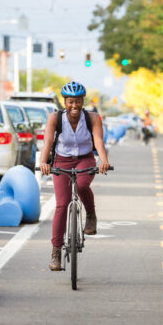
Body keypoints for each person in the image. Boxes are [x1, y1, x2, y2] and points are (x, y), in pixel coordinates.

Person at [39, 81, 111, 271]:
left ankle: (91, 214)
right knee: (62, 205)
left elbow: (98, 141)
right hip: (61, 161)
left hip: (85, 159)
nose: (74, 106)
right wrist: (44, 162)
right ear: (65, 102)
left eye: (78, 101)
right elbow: (47, 142)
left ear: (82, 101)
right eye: (70, 101)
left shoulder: (93, 118)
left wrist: (103, 161)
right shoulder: (54, 118)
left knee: (81, 185)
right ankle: (55, 253)